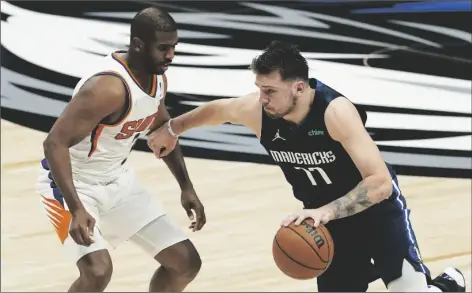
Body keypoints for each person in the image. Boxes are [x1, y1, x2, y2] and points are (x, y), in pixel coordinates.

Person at [146, 40, 466, 292]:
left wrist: (324, 212)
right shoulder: (258, 111)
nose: (262, 98)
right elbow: (217, 111)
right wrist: (171, 129)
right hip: (326, 223)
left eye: (269, 91)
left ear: (299, 88)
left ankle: (445, 285)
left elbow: (381, 183)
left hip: (377, 213)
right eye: (260, 89)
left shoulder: (335, 113)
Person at [36, 6, 206, 292]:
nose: (170, 56)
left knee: (186, 262)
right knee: (97, 272)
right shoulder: (107, 88)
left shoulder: (157, 78)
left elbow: (163, 129)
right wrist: (76, 208)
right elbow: (54, 143)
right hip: (73, 184)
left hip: (118, 181)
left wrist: (186, 187)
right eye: (163, 48)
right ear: (138, 45)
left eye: (174, 47)